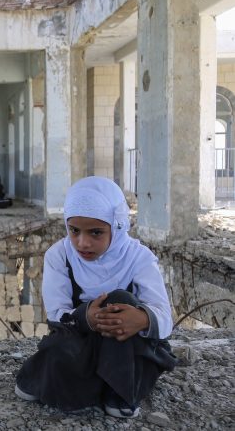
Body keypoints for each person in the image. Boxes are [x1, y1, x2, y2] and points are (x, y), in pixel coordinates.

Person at [15, 176, 176, 419]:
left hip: (129, 345)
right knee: (59, 354)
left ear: (117, 225)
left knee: (120, 298)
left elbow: (164, 316)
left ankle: (118, 392)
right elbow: (57, 314)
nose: (83, 242)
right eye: (74, 231)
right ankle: (95, 386)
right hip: (81, 339)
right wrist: (86, 317)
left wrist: (141, 320)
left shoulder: (138, 257)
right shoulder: (60, 255)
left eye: (96, 232)